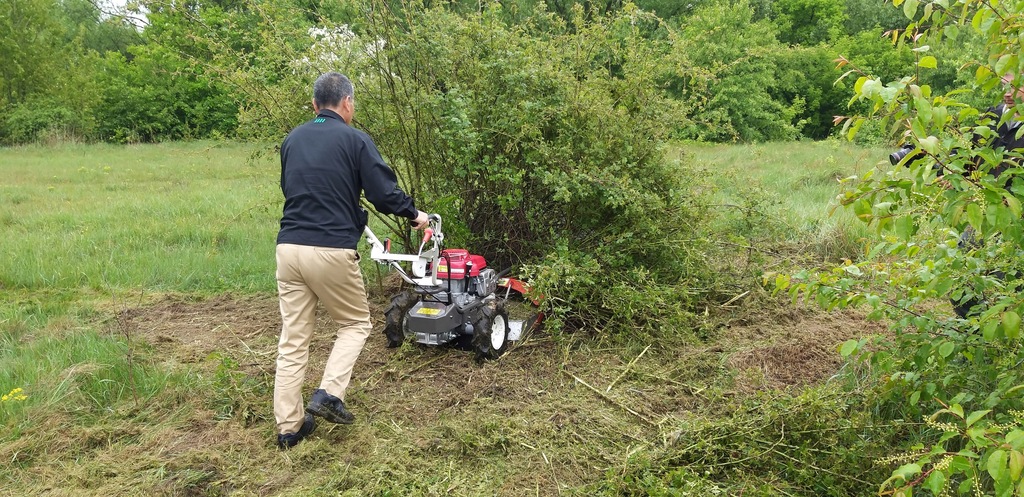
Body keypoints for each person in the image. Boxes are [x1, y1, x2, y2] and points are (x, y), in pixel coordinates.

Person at [274, 72, 429, 449]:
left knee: (293, 340)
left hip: (288, 248)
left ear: (314, 106)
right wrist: (415, 215)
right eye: (353, 104)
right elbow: (382, 193)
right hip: (330, 249)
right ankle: (328, 394)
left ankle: (289, 428)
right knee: (356, 324)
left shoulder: (291, 140)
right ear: (347, 103)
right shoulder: (355, 139)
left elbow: (290, 187)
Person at [951, 73, 1024, 317]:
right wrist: (949, 170)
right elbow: (966, 153)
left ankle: (1006, 343)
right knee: (963, 271)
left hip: (1017, 216)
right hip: (986, 210)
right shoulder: (992, 116)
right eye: (1005, 84)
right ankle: (972, 334)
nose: (1008, 92)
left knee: (1009, 278)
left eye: (1017, 86)